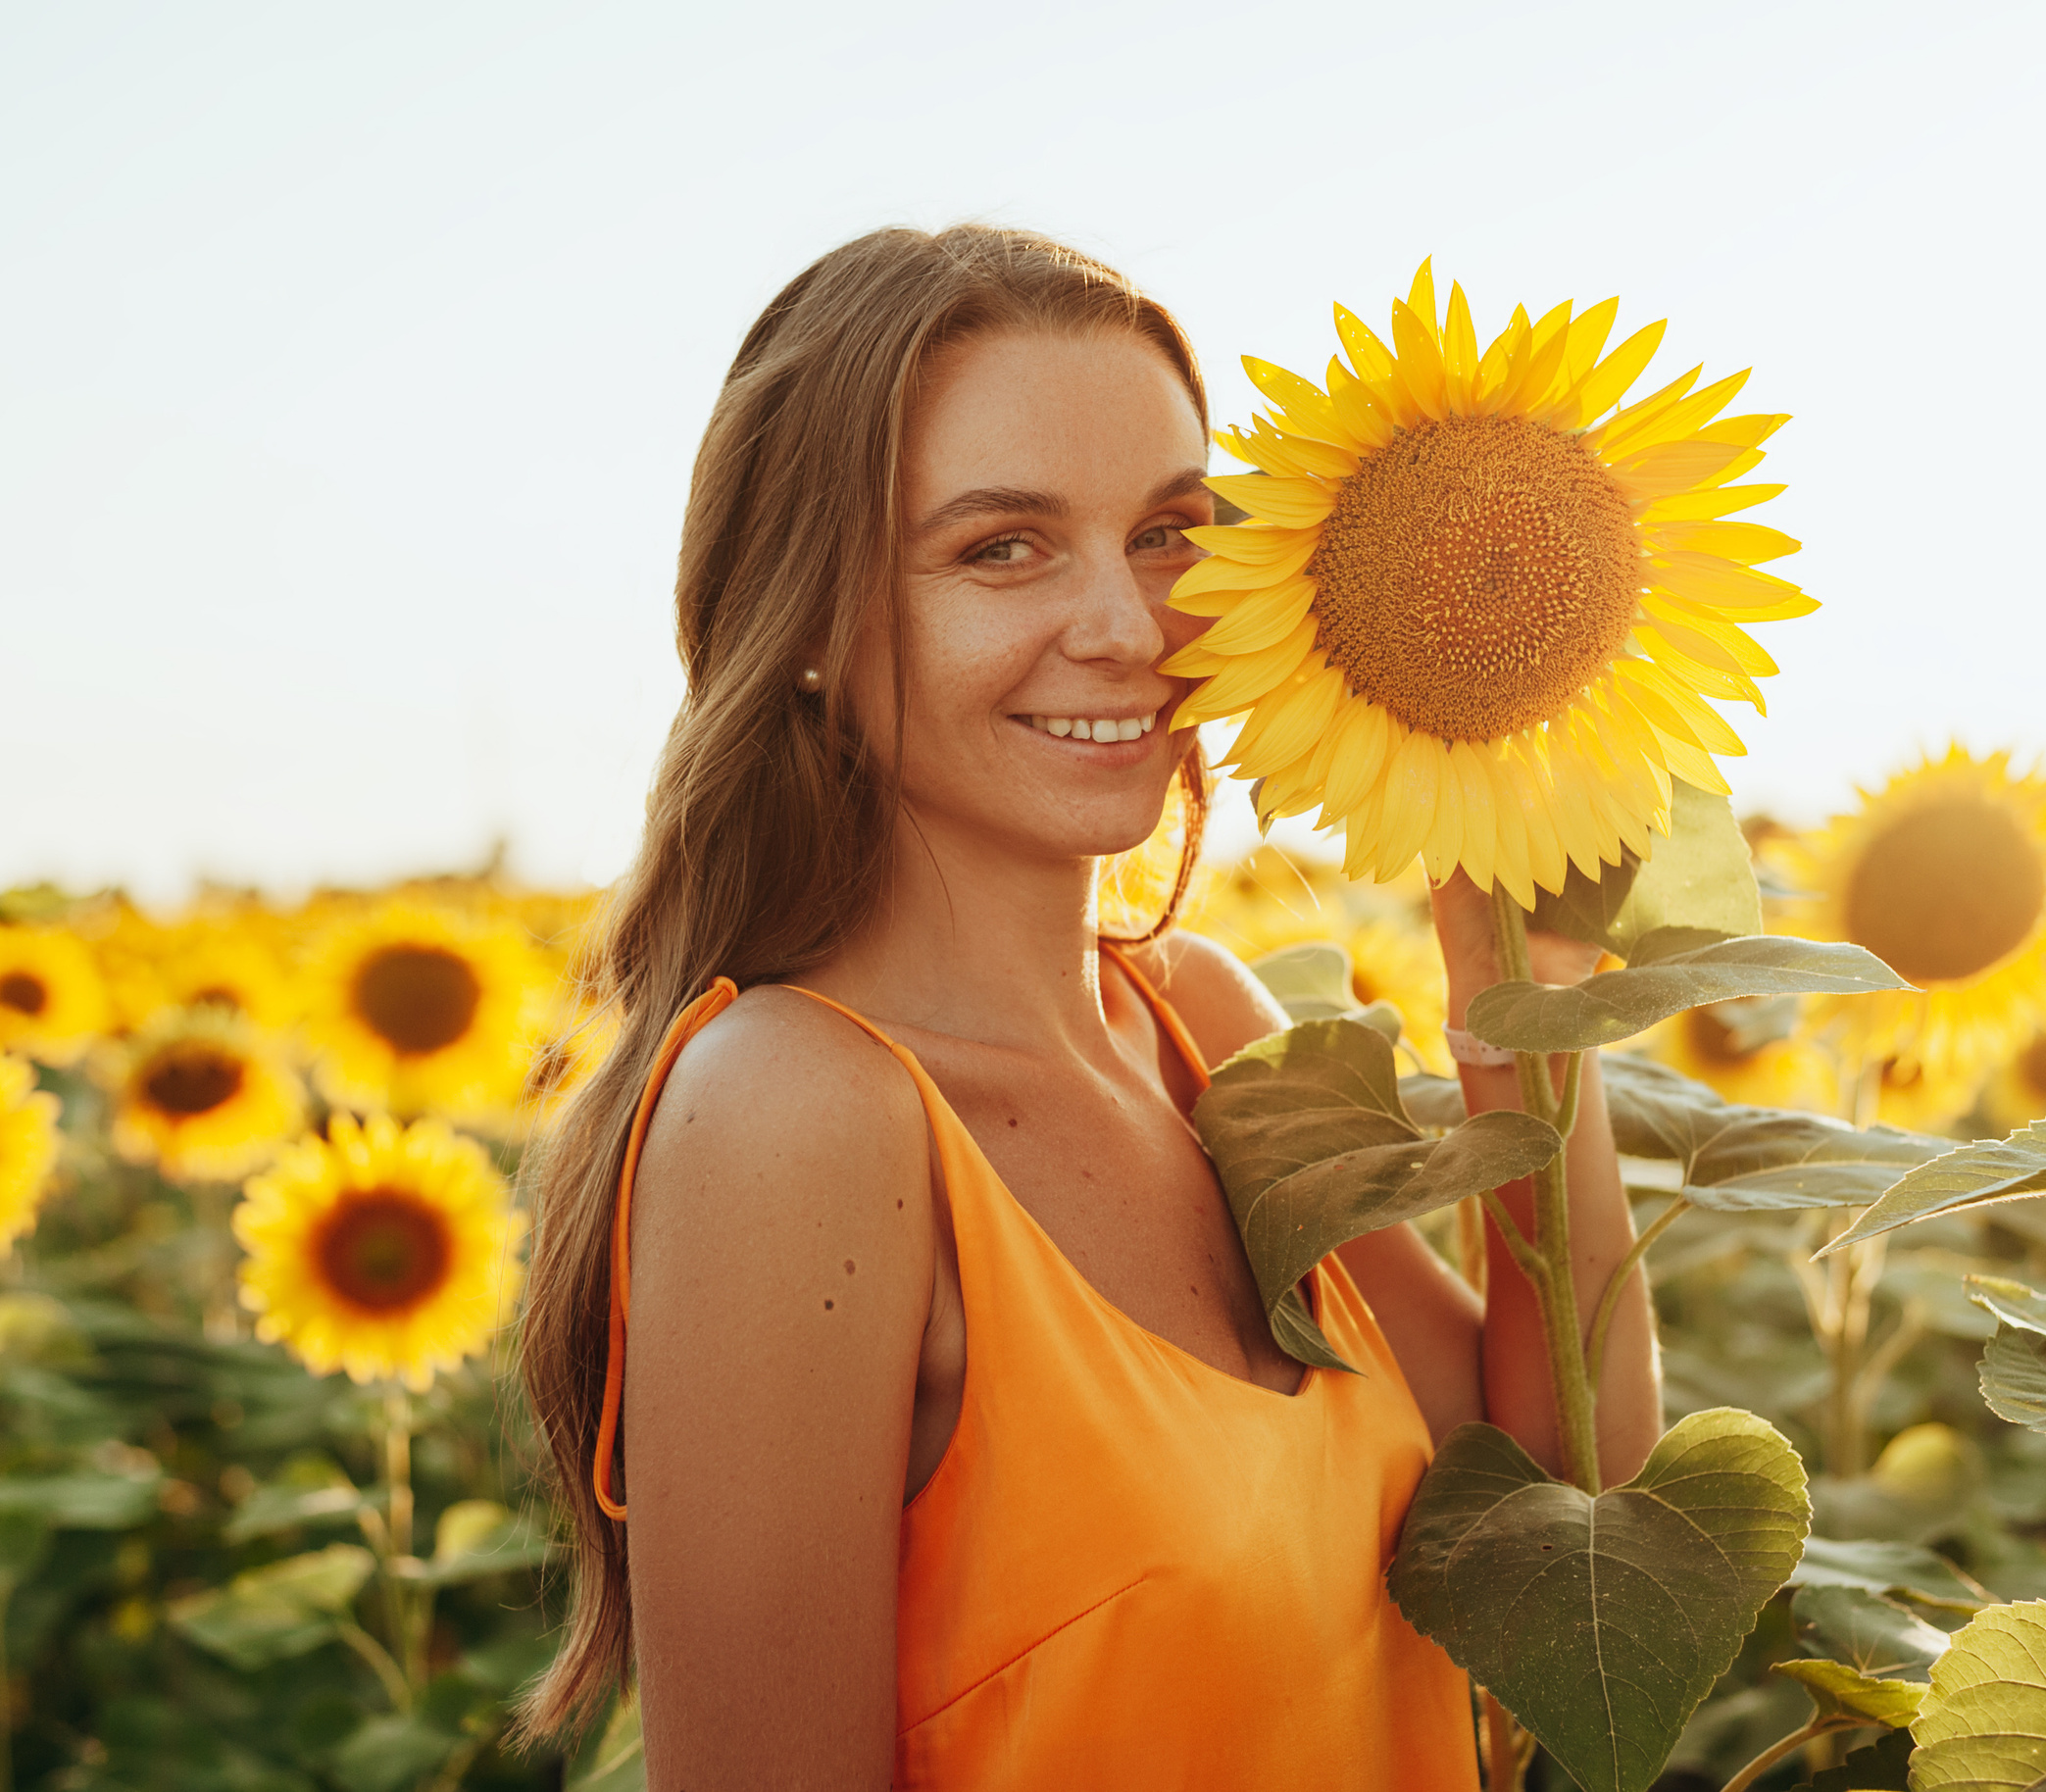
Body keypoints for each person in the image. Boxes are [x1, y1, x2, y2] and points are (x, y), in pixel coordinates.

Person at [514, 224, 1660, 1788]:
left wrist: (1521, 982)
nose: (1128, 624)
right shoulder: (796, 1113)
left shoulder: (1200, 1024)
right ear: (801, 620)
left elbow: (1565, 1487)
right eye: (1003, 548)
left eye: (1172, 534)